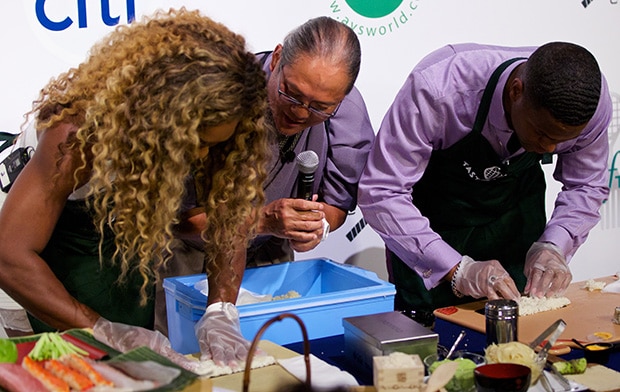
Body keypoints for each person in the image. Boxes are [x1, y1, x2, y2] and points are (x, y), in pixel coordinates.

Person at [0, 8, 270, 370]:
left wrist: (222, 308)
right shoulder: (76, 135)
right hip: (28, 250)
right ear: (159, 118)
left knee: (139, 366)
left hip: (106, 238)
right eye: (197, 142)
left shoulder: (216, 120)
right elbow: (10, 257)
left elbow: (228, 214)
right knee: (64, 370)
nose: (203, 156)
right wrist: (103, 331)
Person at [154, 16, 374, 362]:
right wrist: (266, 220)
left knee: (274, 364)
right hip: (192, 260)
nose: (301, 114)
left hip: (271, 260)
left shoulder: (346, 113)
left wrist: (316, 225)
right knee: (194, 366)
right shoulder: (220, 99)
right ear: (276, 59)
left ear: (341, 99)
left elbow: (337, 203)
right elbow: (182, 219)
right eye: (292, 93)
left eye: (320, 107)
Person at [358, 42, 612, 325]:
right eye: (542, 133)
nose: (551, 148)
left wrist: (554, 245)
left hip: (514, 223)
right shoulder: (438, 90)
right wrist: (456, 269)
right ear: (516, 92)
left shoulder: (589, 101)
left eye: (562, 140)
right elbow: (381, 192)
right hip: (433, 225)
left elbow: (586, 185)